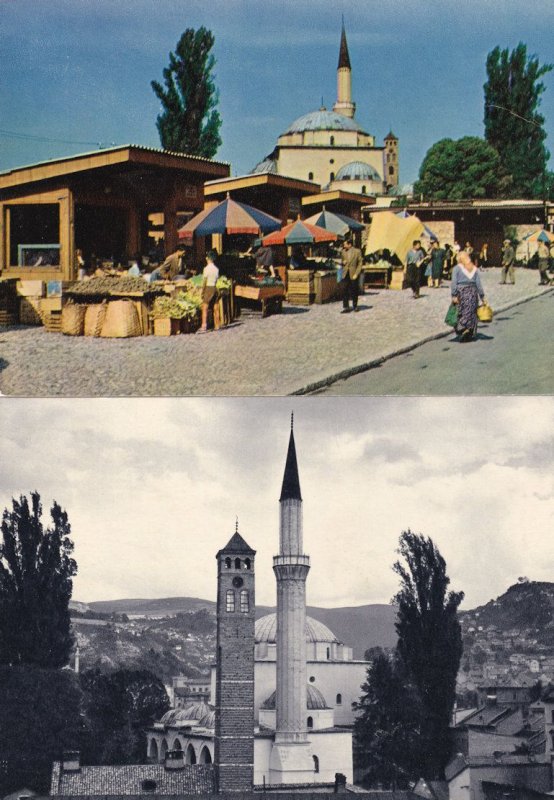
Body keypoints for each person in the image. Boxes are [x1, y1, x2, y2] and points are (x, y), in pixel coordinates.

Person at [451, 250, 486, 341]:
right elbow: (478, 284)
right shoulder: (474, 268)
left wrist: (454, 295)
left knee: (461, 311)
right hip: (472, 293)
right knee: (471, 311)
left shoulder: (456, 269)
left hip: (461, 293)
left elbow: (454, 283)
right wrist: (482, 296)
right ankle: (469, 330)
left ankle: (463, 329)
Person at [198, 250, 219, 333]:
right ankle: (217, 325)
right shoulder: (216, 269)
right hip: (214, 287)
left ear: (208, 258)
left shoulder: (206, 269)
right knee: (216, 307)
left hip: (208, 288)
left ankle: (204, 325)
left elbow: (205, 281)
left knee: (205, 308)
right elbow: (217, 279)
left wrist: (202, 291)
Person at [340, 238, 364, 313]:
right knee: (344, 290)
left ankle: (355, 306)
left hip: (353, 273)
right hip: (345, 273)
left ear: (350, 244)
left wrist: (357, 273)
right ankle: (346, 307)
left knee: (354, 290)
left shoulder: (357, 251)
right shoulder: (343, 252)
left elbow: (360, 263)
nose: (344, 246)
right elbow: (342, 261)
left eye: (345, 244)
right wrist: (342, 262)